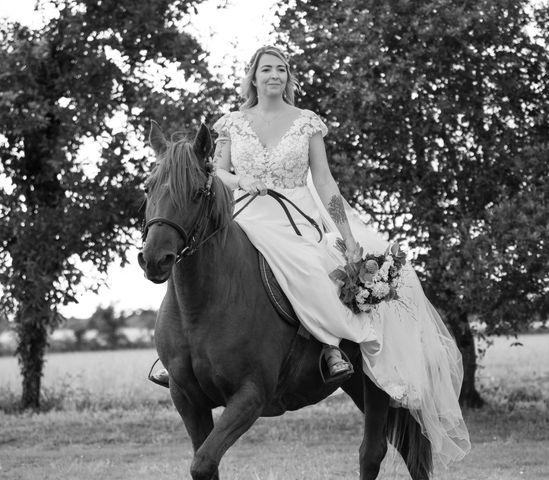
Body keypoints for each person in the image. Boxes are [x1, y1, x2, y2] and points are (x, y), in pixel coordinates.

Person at [152, 45, 470, 467]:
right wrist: (242, 179)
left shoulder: (306, 124)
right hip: (244, 211)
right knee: (204, 262)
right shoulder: (229, 123)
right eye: (266, 69)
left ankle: (330, 348)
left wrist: (346, 234)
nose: (274, 76)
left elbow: (324, 182)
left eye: (281, 69)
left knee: (307, 267)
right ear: (252, 76)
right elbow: (217, 172)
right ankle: (174, 356)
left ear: (288, 77)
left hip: (297, 216)